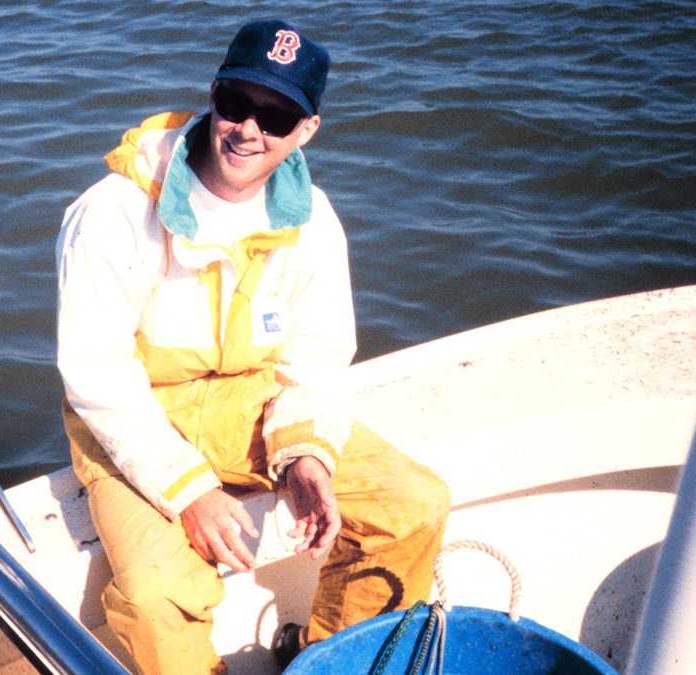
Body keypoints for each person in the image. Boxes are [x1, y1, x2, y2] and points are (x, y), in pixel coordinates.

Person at [55, 19, 450, 674]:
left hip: (250, 400)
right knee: (158, 597)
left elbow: (315, 360)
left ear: (307, 130)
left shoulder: (313, 218)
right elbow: (96, 375)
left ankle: (330, 661)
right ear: (213, 95)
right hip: (131, 416)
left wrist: (306, 456)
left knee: (413, 507)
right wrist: (188, 491)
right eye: (236, 103)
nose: (248, 130)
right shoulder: (113, 211)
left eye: (277, 116)